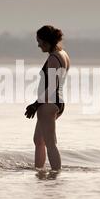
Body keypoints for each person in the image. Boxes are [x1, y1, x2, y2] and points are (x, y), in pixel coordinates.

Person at [25, 25, 70, 171]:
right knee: (39, 140)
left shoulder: (53, 58)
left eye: (39, 42)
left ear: (46, 41)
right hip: (58, 102)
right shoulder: (63, 54)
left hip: (48, 103)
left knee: (50, 143)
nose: (38, 45)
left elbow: (51, 87)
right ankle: (40, 172)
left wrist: (35, 104)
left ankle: (56, 174)